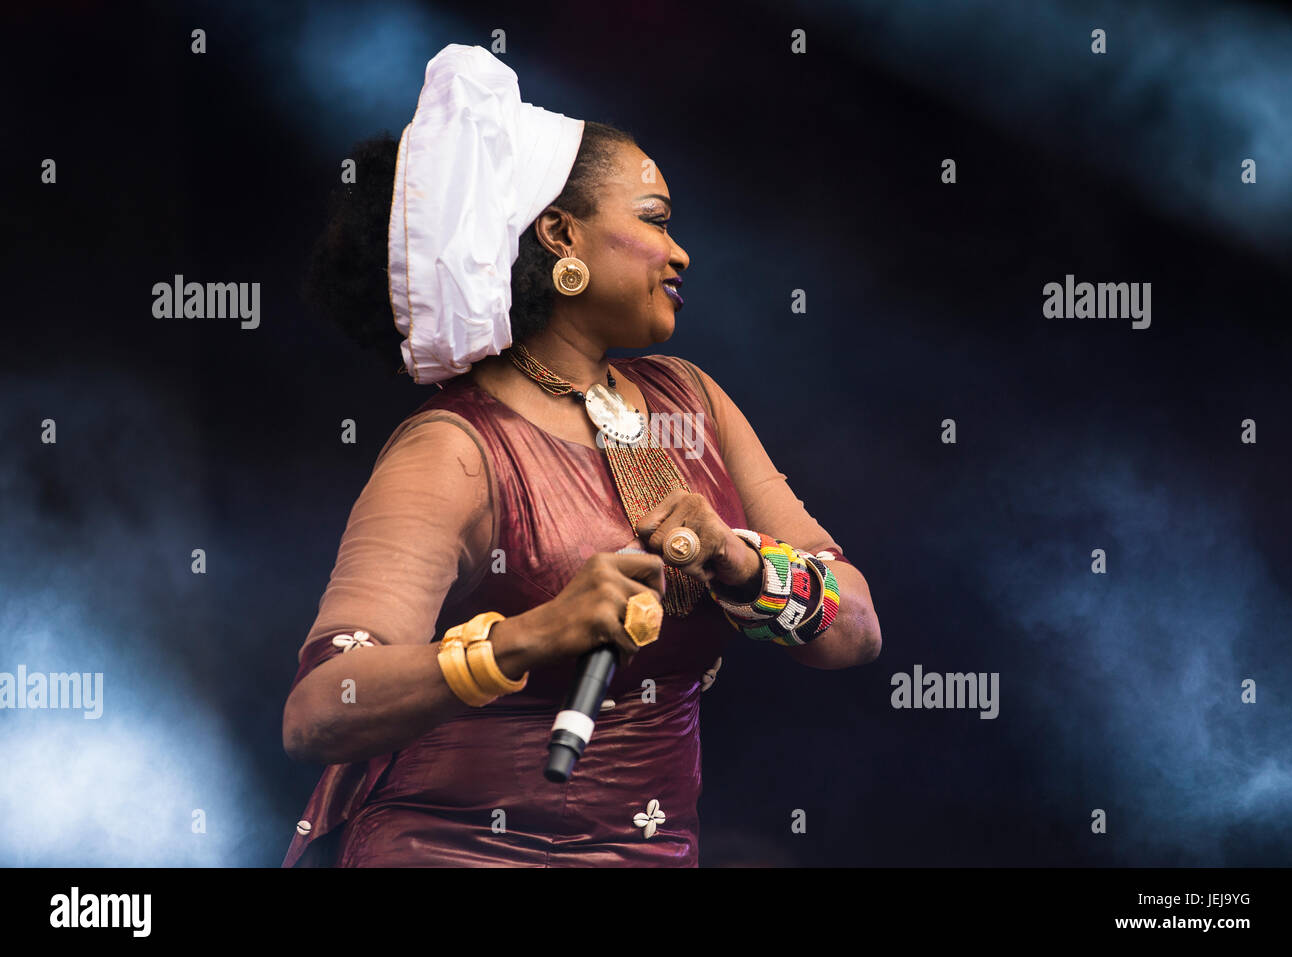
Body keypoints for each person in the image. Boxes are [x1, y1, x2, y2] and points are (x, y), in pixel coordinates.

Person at [281, 44, 882, 867]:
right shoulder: (454, 447)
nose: (681, 254)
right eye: (655, 218)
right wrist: (529, 638)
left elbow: (857, 627)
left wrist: (741, 565)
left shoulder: (689, 400)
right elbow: (320, 710)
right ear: (562, 235)